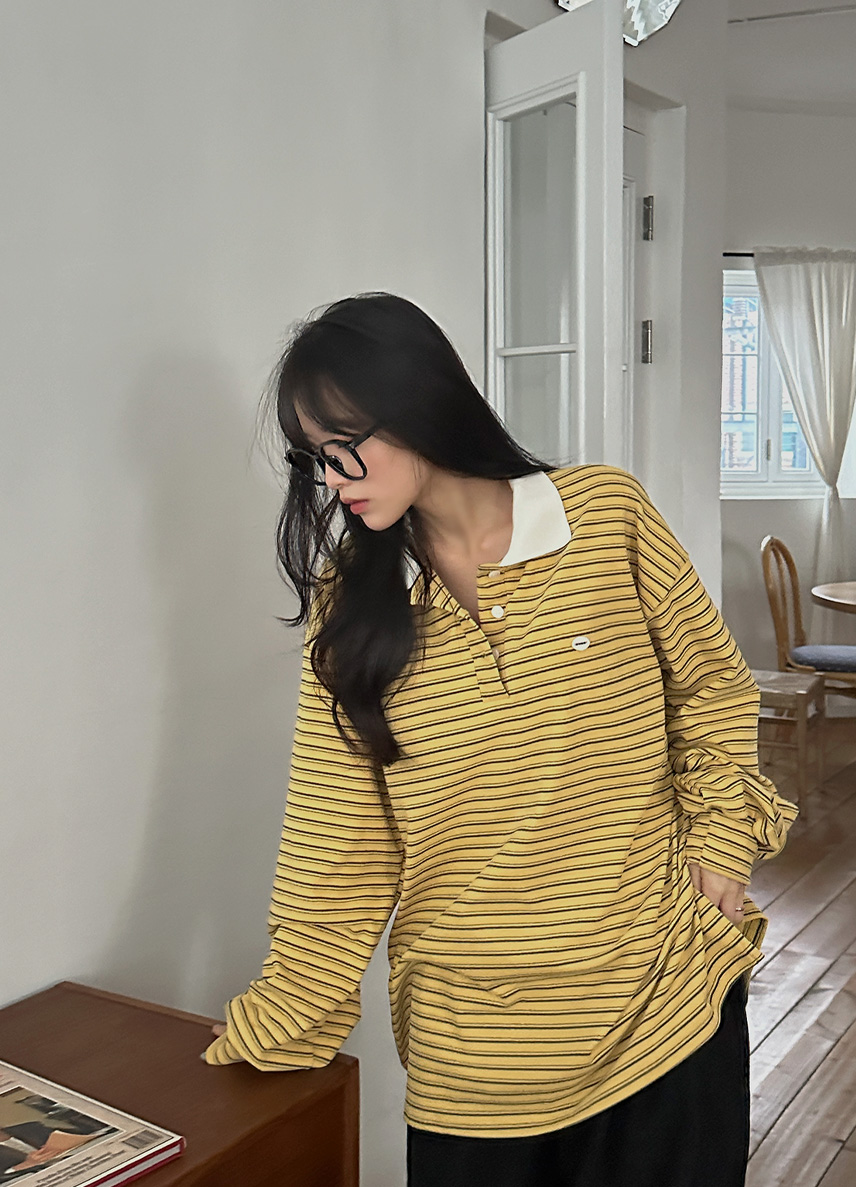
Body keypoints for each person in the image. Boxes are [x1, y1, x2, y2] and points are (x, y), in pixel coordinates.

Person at [204, 293, 797, 1187]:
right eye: (315, 457)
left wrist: (721, 844)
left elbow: (711, 685)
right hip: (475, 1060)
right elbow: (342, 842)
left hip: (665, 1008)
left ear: (419, 401)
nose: (332, 479)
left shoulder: (605, 515)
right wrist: (289, 1010)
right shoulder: (351, 604)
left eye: (344, 445)